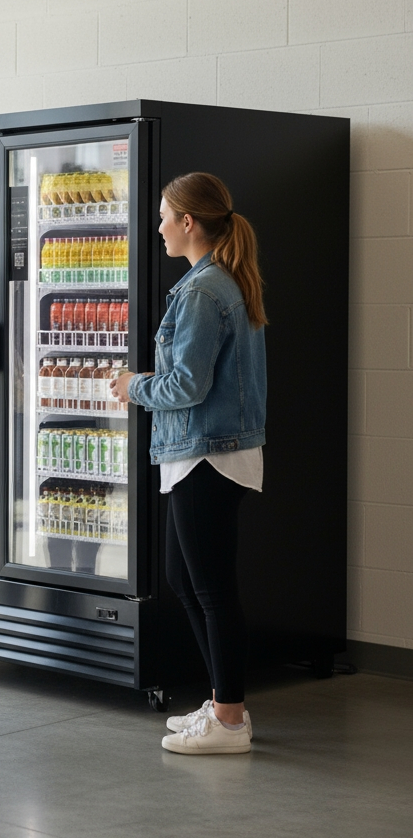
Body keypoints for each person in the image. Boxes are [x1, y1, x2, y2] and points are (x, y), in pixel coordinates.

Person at [111, 172, 267, 755]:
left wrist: (133, 386)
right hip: (209, 449)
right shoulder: (217, 281)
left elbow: (186, 386)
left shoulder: (203, 291)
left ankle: (230, 719)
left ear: (188, 222)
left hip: (208, 452)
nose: (157, 228)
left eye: (163, 217)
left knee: (212, 588)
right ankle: (223, 701)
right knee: (185, 579)